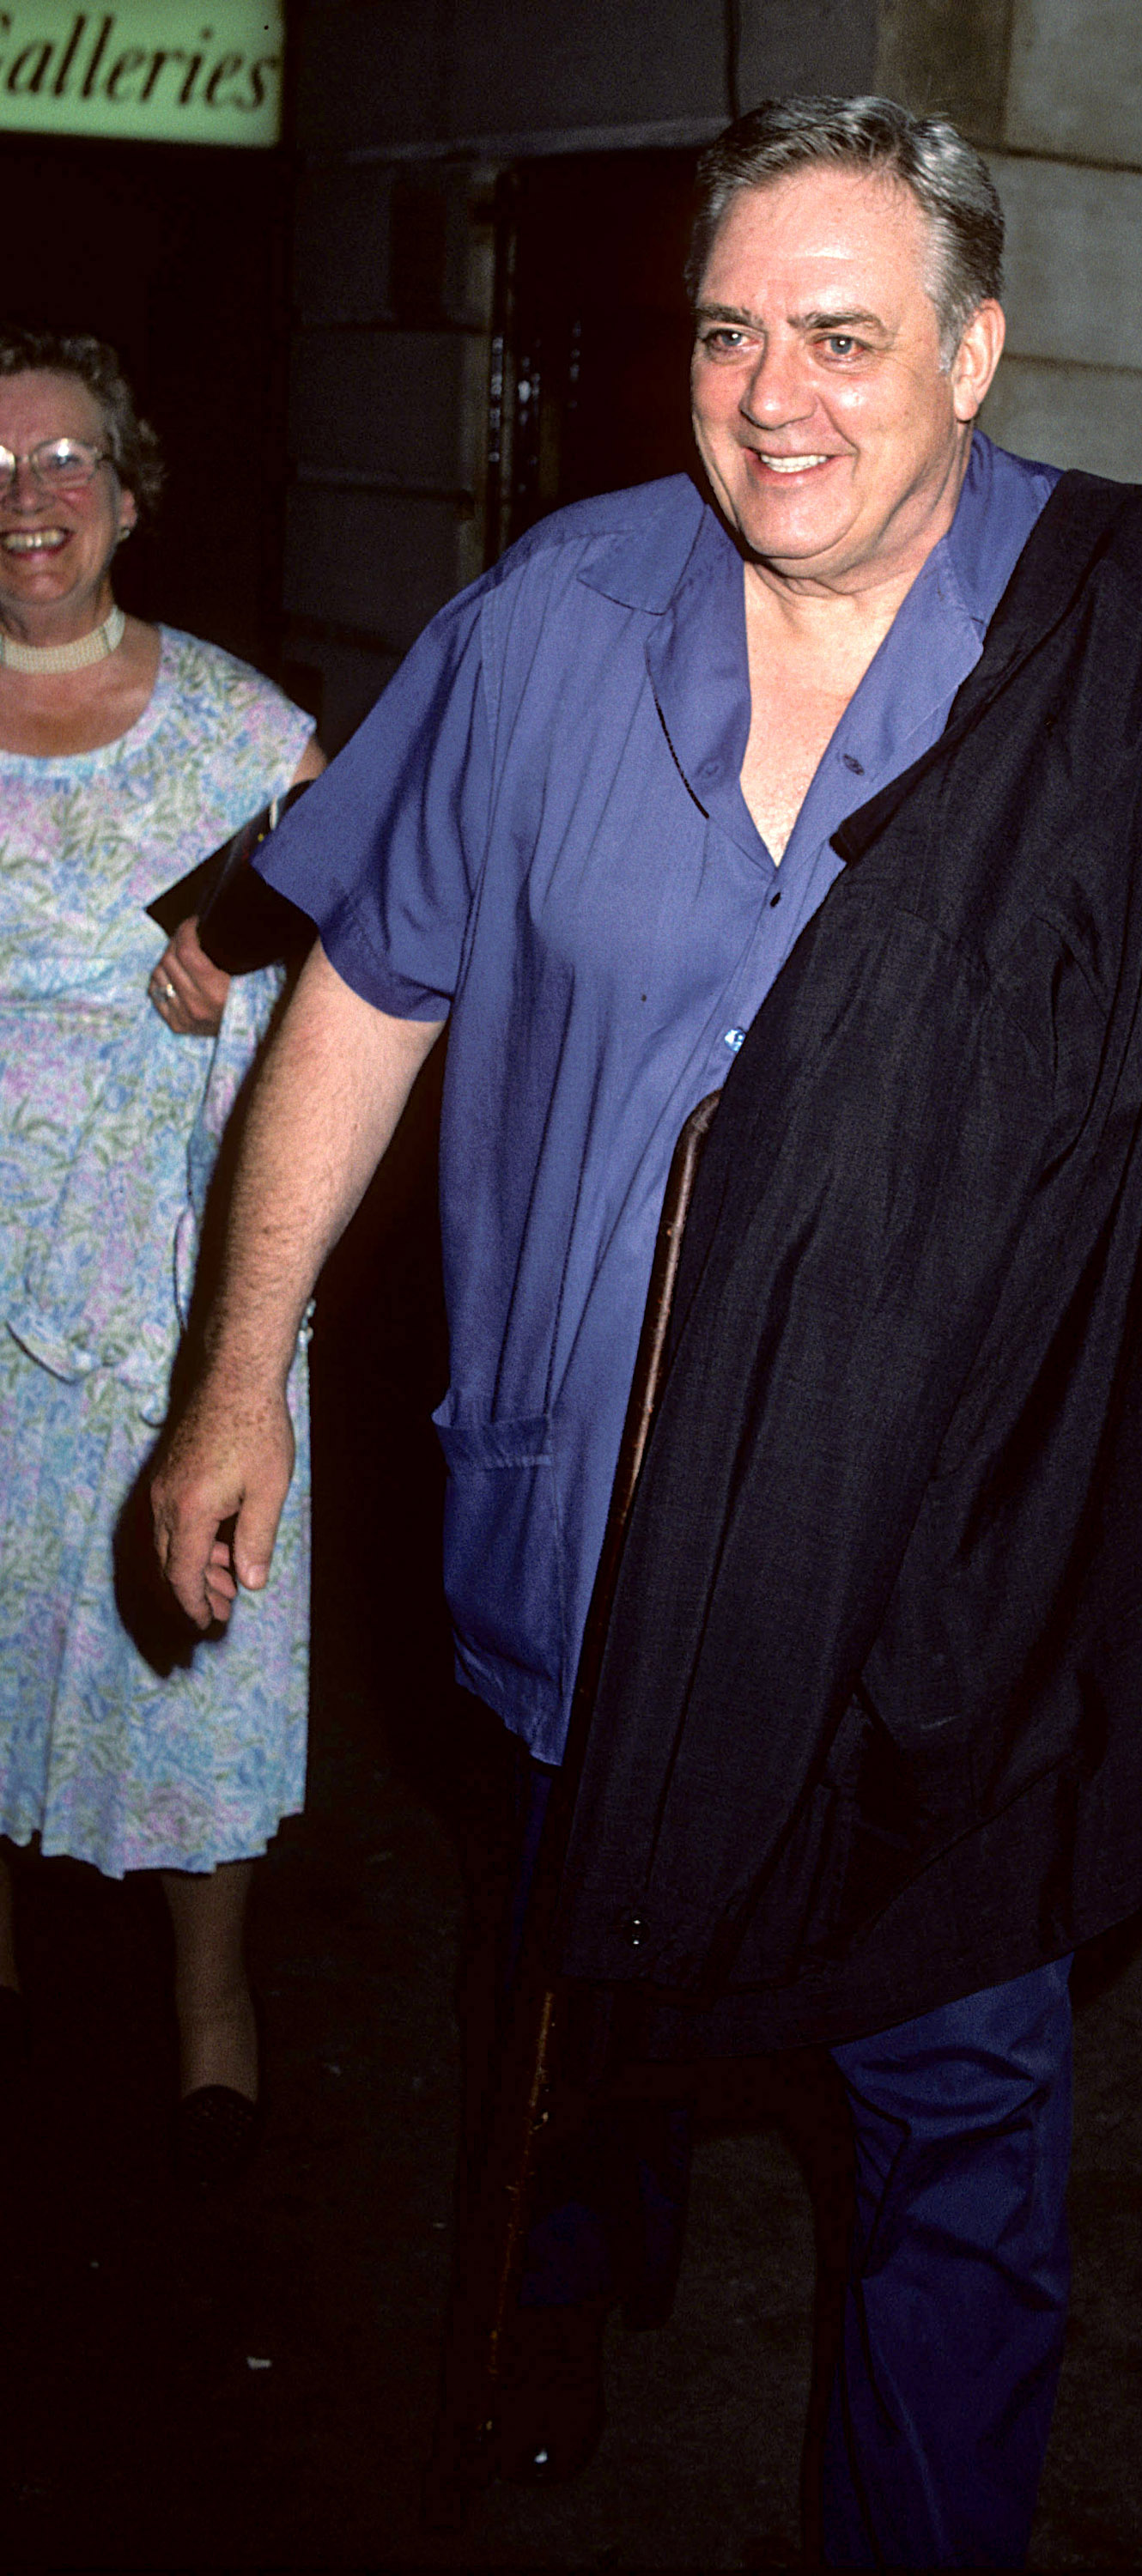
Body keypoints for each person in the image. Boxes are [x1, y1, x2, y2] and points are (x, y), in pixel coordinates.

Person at [151, 99, 1142, 2567]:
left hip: (944, 1622)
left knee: (952, 2134)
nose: (773, 396)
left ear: (977, 352)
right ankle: (561, 2284)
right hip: (568, 1563)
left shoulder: (1124, 669)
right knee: (578, 2014)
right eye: (728, 333)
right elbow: (362, 1004)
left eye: (842, 334)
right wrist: (233, 1376)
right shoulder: (550, 623)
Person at [0, 329, 322, 2184]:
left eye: (67, 460)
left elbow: (364, 992)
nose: (32, 498)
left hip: (165, 1282)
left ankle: (215, 2015)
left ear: (127, 491)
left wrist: (245, 984)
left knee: (195, 1632)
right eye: (2, 469)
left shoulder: (251, 737)